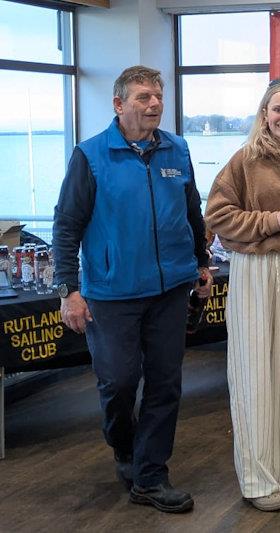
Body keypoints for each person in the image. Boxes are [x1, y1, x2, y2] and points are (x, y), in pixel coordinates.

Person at [52, 65, 211, 513]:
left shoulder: (176, 149)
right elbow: (66, 226)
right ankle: (124, 446)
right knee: (119, 383)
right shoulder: (90, 156)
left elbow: (191, 210)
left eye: (158, 95)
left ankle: (150, 476)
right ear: (119, 104)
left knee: (165, 384)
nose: (154, 103)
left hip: (170, 289)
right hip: (111, 292)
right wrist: (69, 289)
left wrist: (201, 263)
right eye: (143, 96)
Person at [205, 77, 280, 512]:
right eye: (278, 110)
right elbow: (217, 215)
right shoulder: (243, 160)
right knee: (254, 373)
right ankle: (258, 478)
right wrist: (272, 219)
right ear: (265, 114)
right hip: (253, 268)